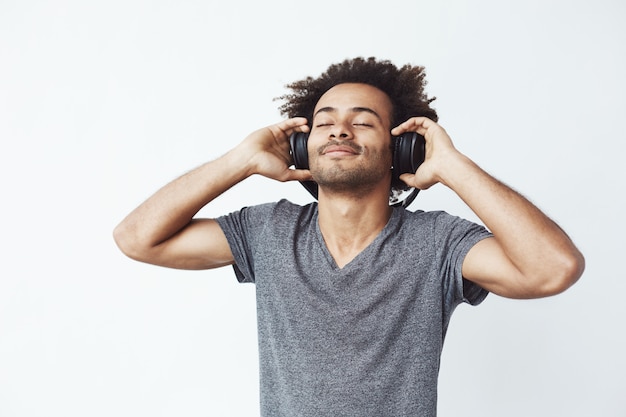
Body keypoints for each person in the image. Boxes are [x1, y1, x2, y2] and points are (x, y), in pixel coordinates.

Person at [113, 57, 585, 416]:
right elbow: (138, 238)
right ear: (302, 146)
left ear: (401, 149)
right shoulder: (267, 232)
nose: (340, 128)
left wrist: (454, 168)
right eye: (324, 121)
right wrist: (240, 159)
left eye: (362, 120)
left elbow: (553, 268)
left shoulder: (438, 243)